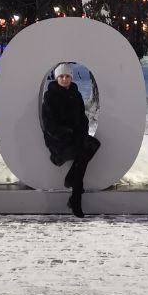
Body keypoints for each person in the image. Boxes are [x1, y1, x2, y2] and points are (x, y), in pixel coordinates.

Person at [40, 62, 101, 218]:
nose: (64, 79)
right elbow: (50, 126)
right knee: (83, 152)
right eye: (61, 76)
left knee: (94, 144)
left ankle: (71, 181)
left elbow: (82, 118)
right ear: (56, 78)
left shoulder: (76, 94)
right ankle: (76, 198)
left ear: (71, 78)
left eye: (67, 76)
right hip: (58, 141)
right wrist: (69, 134)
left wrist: (81, 133)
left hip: (74, 138)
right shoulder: (50, 96)